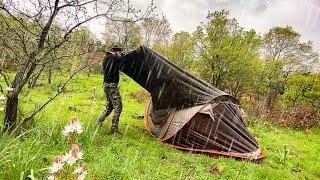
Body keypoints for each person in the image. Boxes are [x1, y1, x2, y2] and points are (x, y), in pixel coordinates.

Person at [97, 45, 124, 134]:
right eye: (119, 52)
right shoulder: (114, 58)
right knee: (118, 106)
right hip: (112, 85)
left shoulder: (106, 58)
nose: (120, 54)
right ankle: (114, 129)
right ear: (117, 51)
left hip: (106, 85)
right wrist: (121, 57)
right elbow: (120, 60)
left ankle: (99, 122)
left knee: (110, 106)